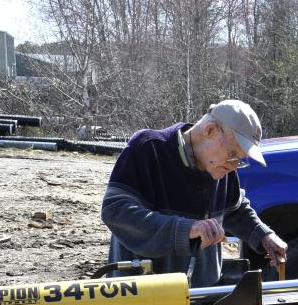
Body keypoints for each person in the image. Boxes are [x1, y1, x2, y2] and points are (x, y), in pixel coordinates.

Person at [101, 99, 287, 287]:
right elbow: (116, 211)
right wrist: (186, 229)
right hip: (143, 292)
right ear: (210, 131)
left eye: (240, 160)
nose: (234, 166)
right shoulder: (148, 148)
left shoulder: (222, 168)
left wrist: (262, 235)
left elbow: (235, 210)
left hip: (200, 295)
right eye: (233, 155)